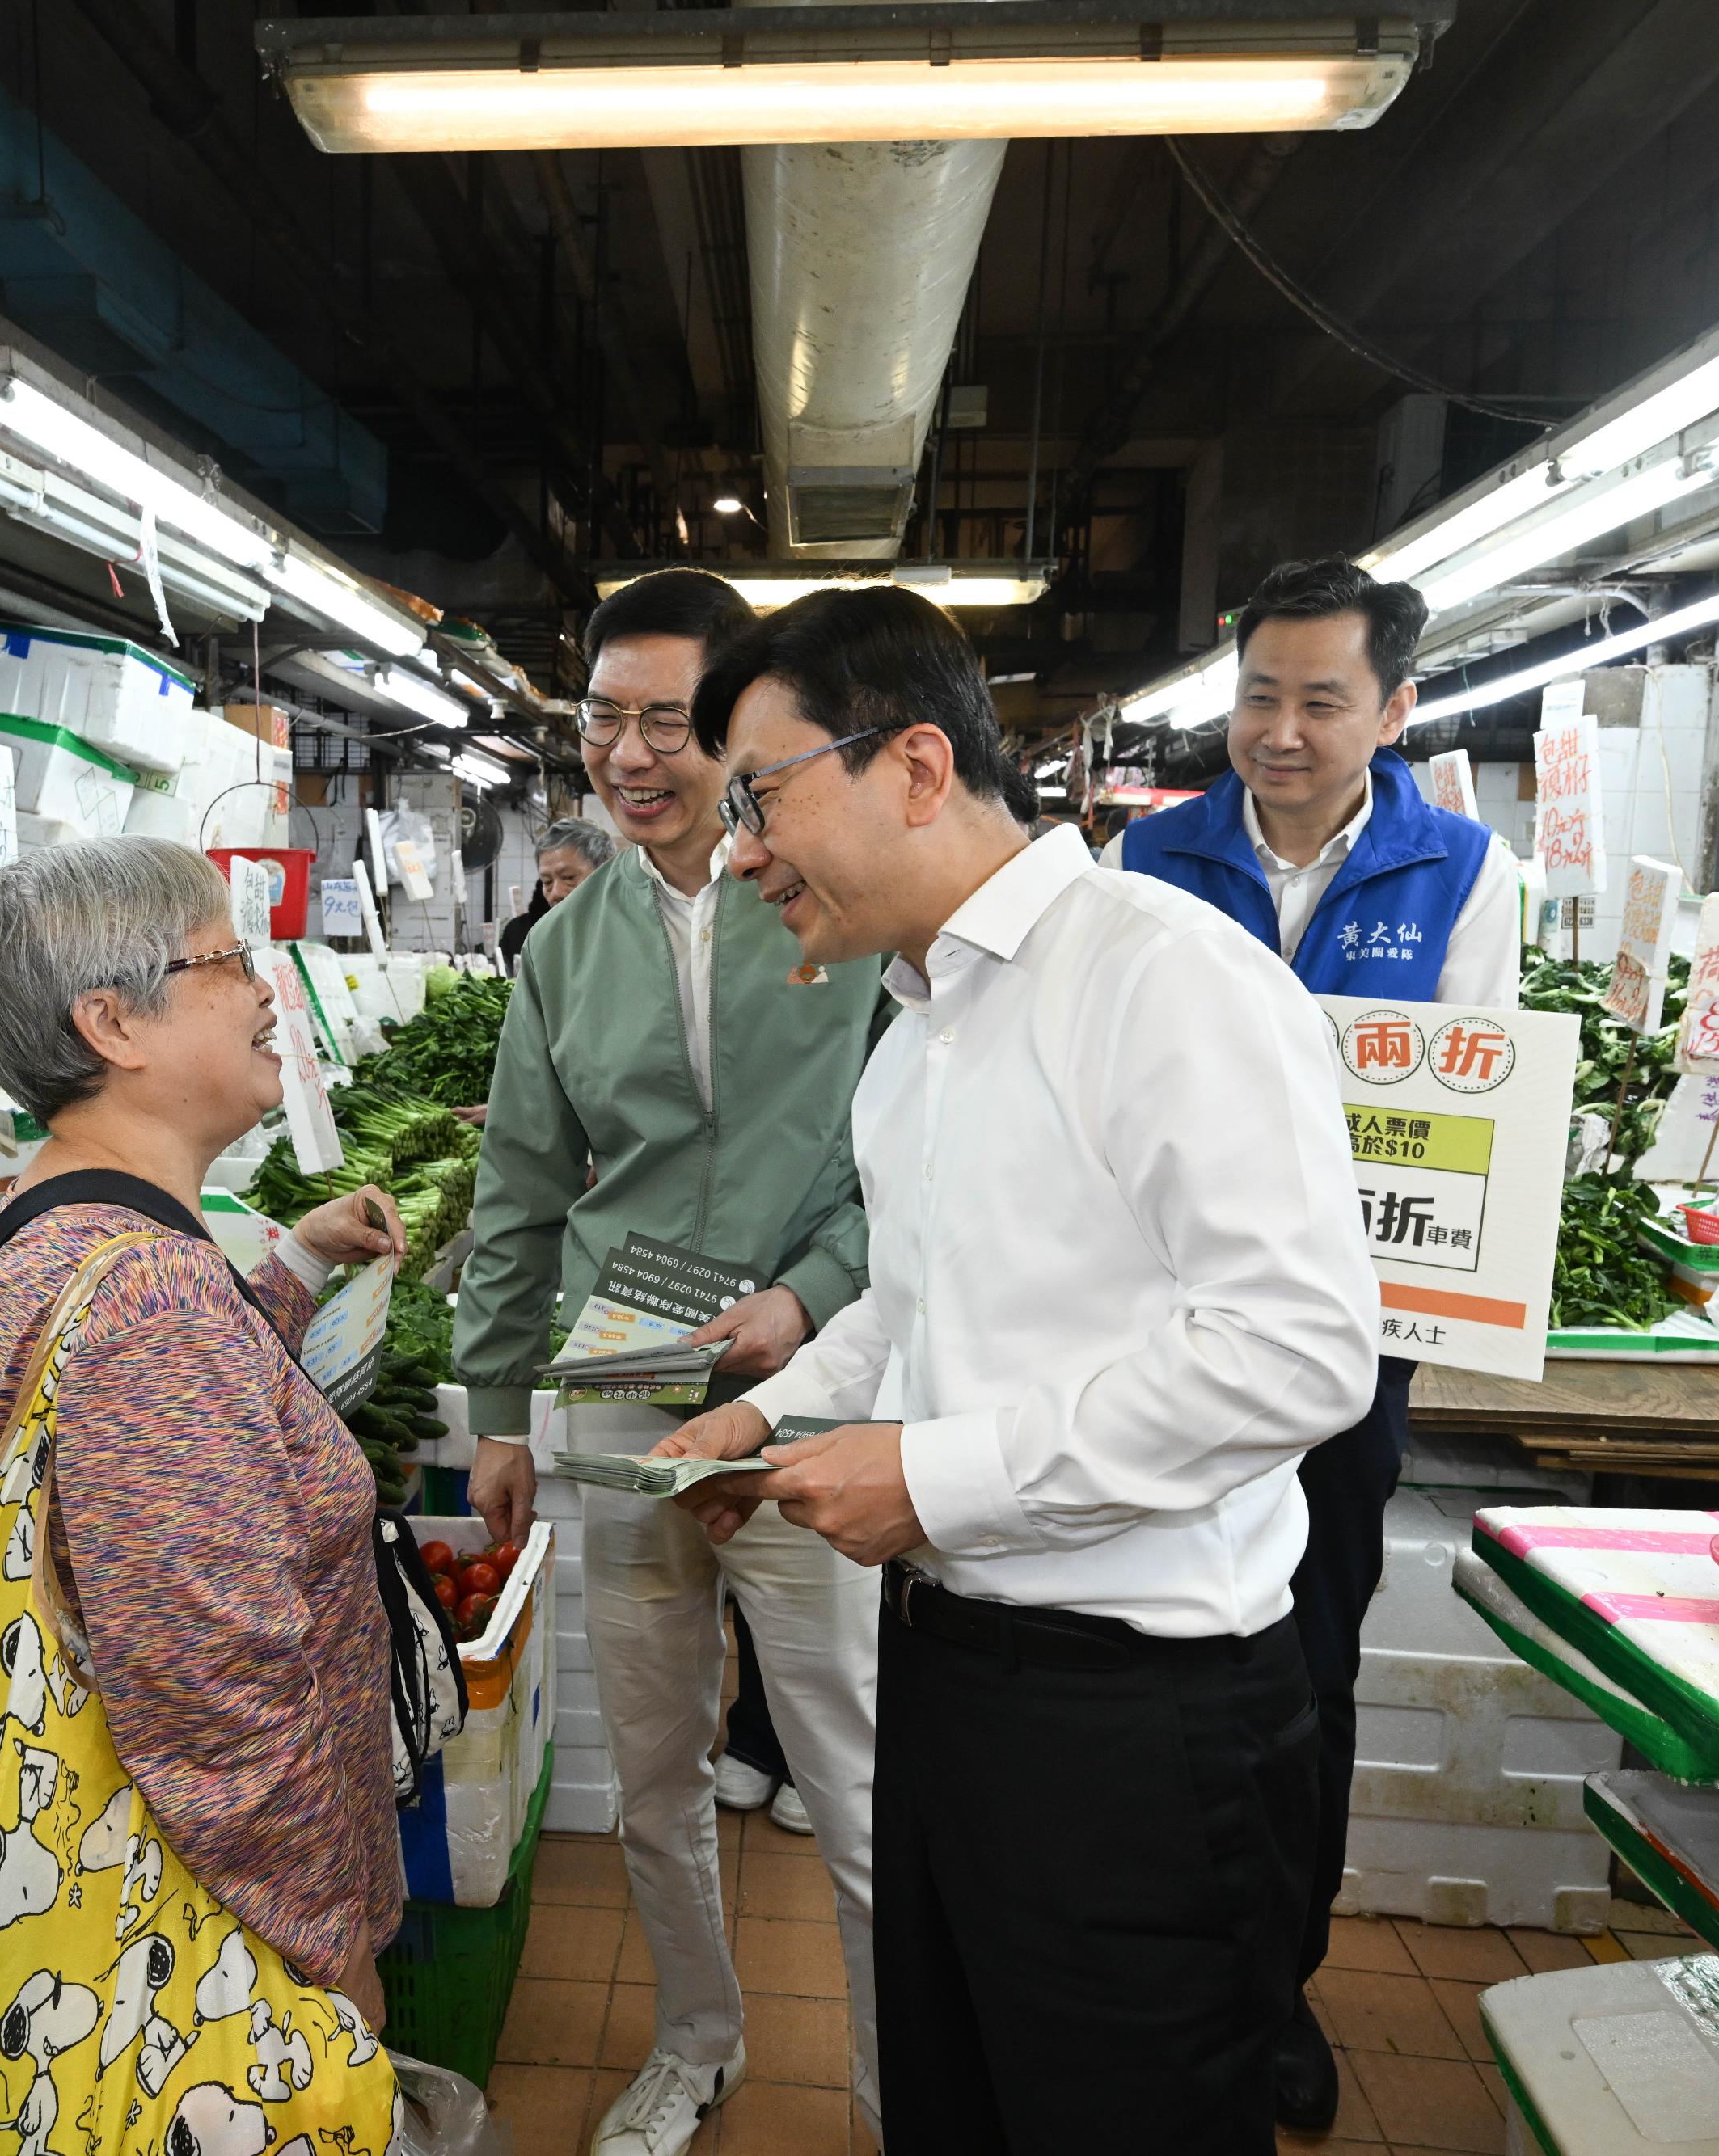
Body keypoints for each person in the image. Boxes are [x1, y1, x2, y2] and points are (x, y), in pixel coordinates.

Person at [657, 586, 1381, 2156]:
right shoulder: (915, 1028)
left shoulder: (1156, 976)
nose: (741, 851)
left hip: (1133, 1727)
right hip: (951, 1679)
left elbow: (1297, 1345)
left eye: (761, 797)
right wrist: (770, 1410)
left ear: (914, 764)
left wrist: (927, 1472)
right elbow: (916, 1307)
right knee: (958, 2108)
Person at [457, 567, 887, 2155]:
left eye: (666, 721)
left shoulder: (840, 914)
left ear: (738, 730)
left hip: (809, 1384)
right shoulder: (565, 950)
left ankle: (886, 2078)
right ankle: (694, 2042)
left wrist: (813, 1290)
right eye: (601, 721)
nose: (629, 755)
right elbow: (515, 1187)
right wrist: (499, 1409)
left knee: (847, 1773)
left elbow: (895, 1159)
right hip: (626, 1367)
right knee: (652, 1771)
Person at [0, 840, 405, 2135]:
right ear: (113, 1021)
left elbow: (177, 1439)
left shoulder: (71, 1215)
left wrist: (288, 1261)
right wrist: (327, 1945)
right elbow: (214, 1688)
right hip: (204, 1946)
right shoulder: (151, 1297)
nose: (267, 989)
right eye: (227, 960)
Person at [1112, 557, 1521, 2133]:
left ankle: (1275, 1983)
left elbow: (1464, 1134)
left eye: (1317, 701)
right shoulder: (1151, 854)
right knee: (1159, 1640)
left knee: (1309, 1663)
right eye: (1255, 696)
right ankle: (1162, 1966)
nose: (1276, 732)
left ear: (1395, 708)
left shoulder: (1460, 874)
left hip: (1348, 1348)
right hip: (1165, 1326)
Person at [500, 816, 613, 969]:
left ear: (606, 870)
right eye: (547, 882)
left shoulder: (633, 933)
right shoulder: (535, 939)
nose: (556, 893)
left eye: (569, 878)